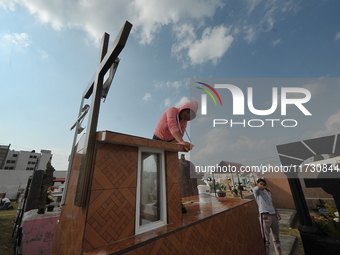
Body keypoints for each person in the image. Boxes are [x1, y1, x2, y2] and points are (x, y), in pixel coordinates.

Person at [253, 178, 282, 255]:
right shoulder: (257, 192)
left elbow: (270, 203)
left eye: (264, 184)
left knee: (276, 238)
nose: (262, 185)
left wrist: (276, 211)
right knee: (266, 240)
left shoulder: (267, 192)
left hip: (273, 215)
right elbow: (256, 188)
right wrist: (263, 187)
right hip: (265, 215)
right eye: (261, 184)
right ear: (257, 184)